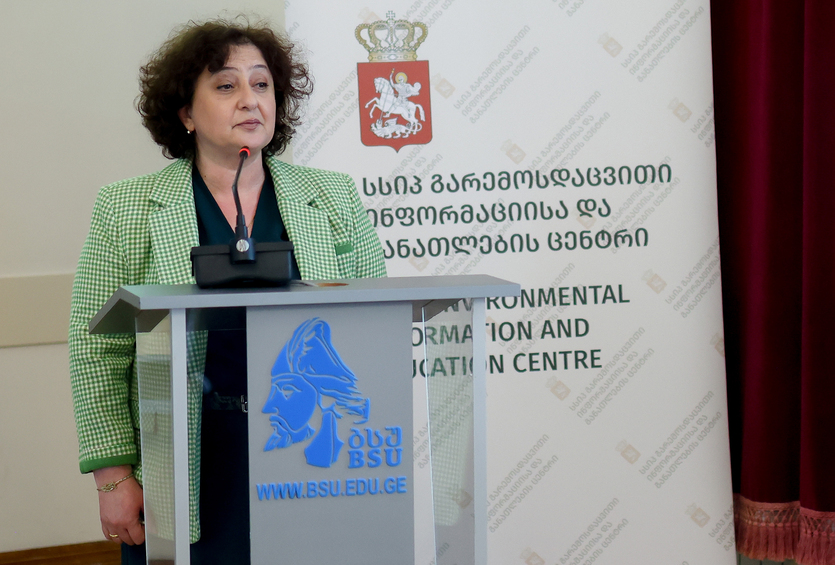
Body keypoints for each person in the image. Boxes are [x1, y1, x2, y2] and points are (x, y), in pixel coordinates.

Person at [68, 17, 386, 564]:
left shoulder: (333, 197)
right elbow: (97, 350)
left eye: (261, 84)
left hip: (305, 448)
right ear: (186, 113)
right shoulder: (126, 208)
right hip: (186, 454)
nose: (249, 100)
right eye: (225, 85)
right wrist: (112, 477)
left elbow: (374, 330)